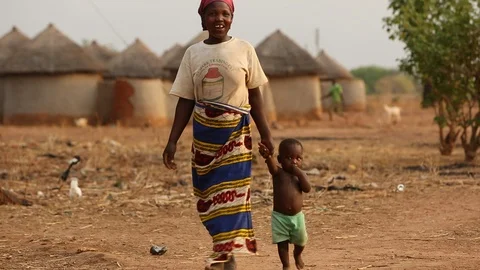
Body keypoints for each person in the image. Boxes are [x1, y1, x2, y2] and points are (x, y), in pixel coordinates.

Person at [162, 0, 274, 269]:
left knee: (233, 195)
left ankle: (225, 254)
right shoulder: (192, 54)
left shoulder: (244, 49)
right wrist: (172, 140)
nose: (219, 19)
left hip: (236, 134)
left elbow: (255, 97)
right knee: (208, 196)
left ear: (232, 18)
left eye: (225, 13)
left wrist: (267, 135)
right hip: (204, 136)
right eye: (212, 13)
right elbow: (186, 100)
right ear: (202, 19)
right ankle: (222, 246)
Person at [258, 139, 311, 270]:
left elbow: (307, 188)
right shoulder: (278, 173)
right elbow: (271, 165)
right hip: (280, 217)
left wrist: (300, 173)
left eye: (298, 158)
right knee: (282, 243)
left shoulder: (300, 176)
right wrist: (267, 156)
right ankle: (286, 265)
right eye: (289, 158)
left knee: (301, 241)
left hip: (297, 217)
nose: (294, 161)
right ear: (280, 159)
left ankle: (297, 255)